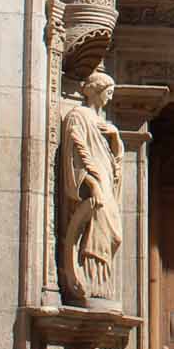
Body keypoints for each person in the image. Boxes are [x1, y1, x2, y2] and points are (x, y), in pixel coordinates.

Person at [58, 69, 124, 305]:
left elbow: (115, 164)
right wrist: (92, 182)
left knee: (113, 232)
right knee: (98, 223)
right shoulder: (79, 115)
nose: (110, 97)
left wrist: (116, 139)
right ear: (96, 91)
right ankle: (90, 279)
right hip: (97, 182)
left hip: (106, 178)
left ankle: (101, 282)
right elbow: (77, 149)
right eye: (108, 91)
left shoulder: (105, 124)